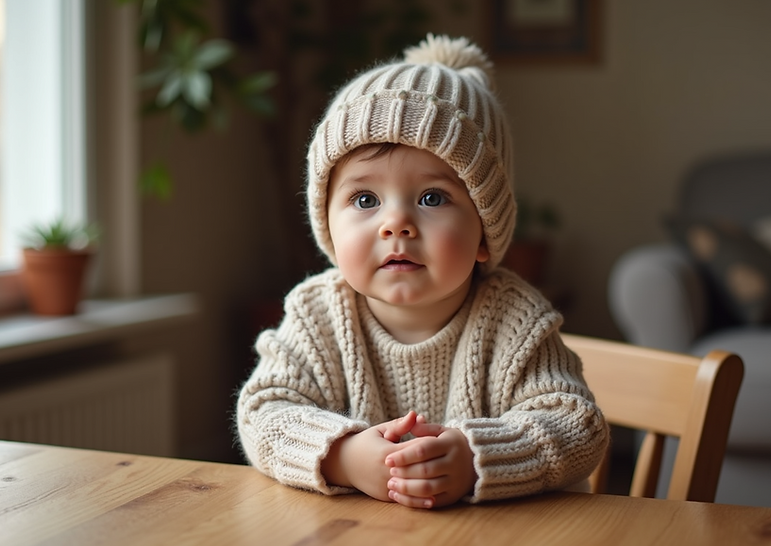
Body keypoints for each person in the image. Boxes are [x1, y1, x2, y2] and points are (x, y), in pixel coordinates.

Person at [236, 34, 608, 509]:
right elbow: (264, 412)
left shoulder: (515, 319)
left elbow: (577, 427)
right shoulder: (317, 313)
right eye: (365, 199)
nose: (396, 224)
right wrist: (343, 456)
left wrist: (478, 459)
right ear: (327, 223)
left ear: (483, 231)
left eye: (432, 197)